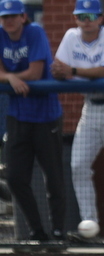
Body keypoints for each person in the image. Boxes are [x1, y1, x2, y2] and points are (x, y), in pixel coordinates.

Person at [52, 0, 104, 244]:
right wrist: (72, 72)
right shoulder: (71, 36)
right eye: (81, 15)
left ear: (100, 18)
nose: (85, 20)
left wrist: (73, 72)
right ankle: (89, 227)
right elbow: (57, 70)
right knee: (78, 166)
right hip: (89, 108)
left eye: (91, 16)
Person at [0, 0, 65, 243]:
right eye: (4, 17)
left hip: (46, 115)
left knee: (54, 179)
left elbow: (36, 73)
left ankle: (58, 233)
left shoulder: (35, 32)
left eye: (13, 16)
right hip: (18, 116)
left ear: (23, 17)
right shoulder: (0, 35)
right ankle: (37, 232)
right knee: (16, 178)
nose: (8, 21)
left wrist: (9, 77)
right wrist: (10, 77)